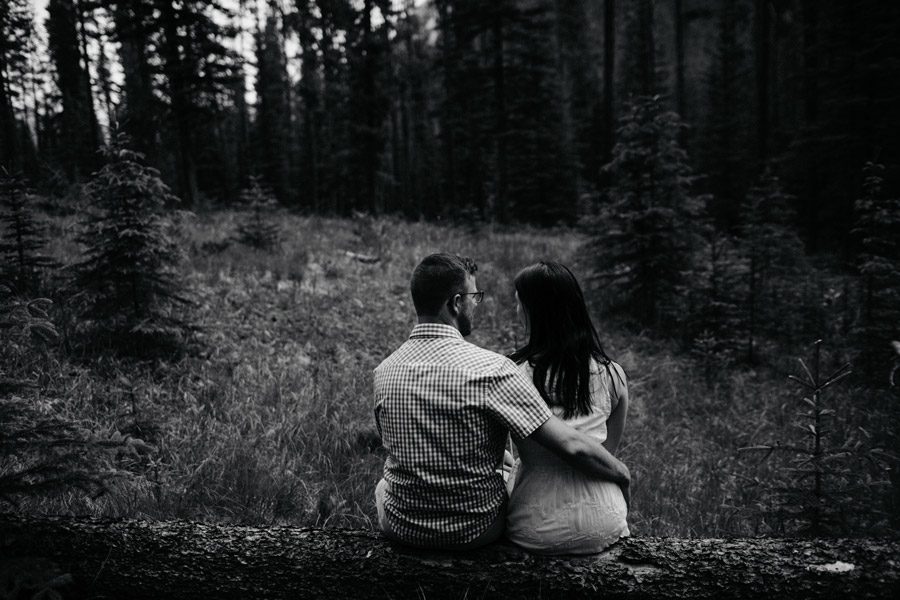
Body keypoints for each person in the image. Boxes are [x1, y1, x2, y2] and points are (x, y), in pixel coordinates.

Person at [373, 253, 630, 550]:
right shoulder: (493, 369)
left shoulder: (383, 372)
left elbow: (398, 445)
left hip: (401, 526)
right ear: (456, 303)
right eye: (474, 297)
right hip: (475, 529)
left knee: (383, 485)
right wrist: (621, 473)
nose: (476, 304)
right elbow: (571, 444)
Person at [505, 261, 630, 554]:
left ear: (532, 311)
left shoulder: (511, 372)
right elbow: (603, 455)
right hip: (605, 520)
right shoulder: (613, 373)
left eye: (518, 304)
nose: (517, 311)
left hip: (535, 525)